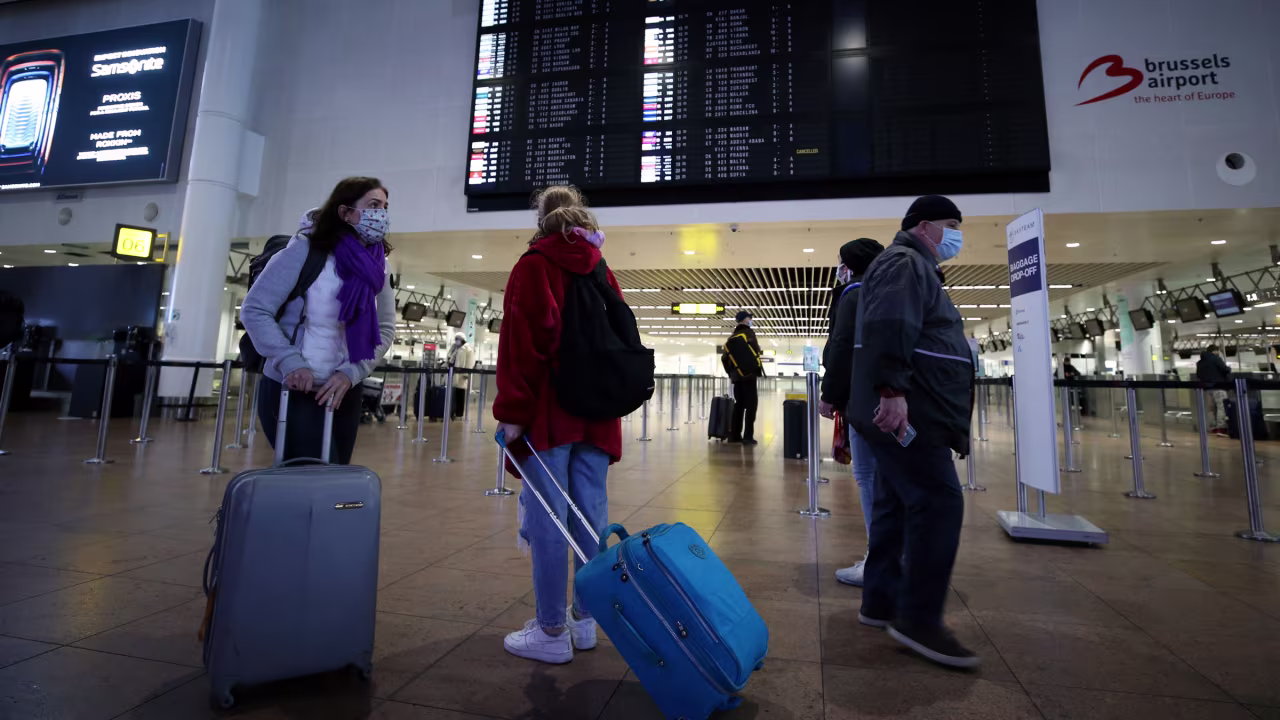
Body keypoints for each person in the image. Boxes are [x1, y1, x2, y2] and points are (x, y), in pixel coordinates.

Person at [493, 185, 622, 665]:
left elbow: (522, 342)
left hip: (551, 410)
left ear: (540, 220)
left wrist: (512, 410)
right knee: (591, 514)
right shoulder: (602, 269)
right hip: (598, 411)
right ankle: (584, 620)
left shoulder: (535, 264)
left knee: (548, 517)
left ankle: (550, 630)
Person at [850, 195, 979, 668]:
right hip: (911, 409)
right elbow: (890, 325)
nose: (957, 235)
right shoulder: (905, 261)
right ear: (925, 226)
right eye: (951, 225)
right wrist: (892, 390)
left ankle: (880, 602)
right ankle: (920, 620)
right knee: (939, 500)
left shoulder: (912, 265)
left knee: (895, 501)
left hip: (909, 406)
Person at [241, 177, 395, 464]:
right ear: (345, 212)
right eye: (373, 205)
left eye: (385, 207)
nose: (382, 215)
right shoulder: (304, 249)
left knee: (334, 477)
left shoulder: (378, 266)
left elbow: (384, 329)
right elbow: (255, 309)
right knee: (308, 477)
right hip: (295, 386)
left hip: (343, 389)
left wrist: (352, 373)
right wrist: (290, 361)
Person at [818, 238, 886, 586]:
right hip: (890, 400)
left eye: (840, 262)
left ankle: (879, 561)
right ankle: (892, 557)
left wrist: (829, 394)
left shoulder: (853, 294)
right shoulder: (887, 291)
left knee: (868, 479)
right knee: (886, 482)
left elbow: (842, 346)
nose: (838, 269)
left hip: (863, 400)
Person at [725, 311, 765, 445]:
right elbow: (756, 350)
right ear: (745, 320)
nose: (751, 320)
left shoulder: (731, 338)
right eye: (749, 318)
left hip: (737, 378)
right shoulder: (749, 334)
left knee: (739, 405)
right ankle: (748, 436)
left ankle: (735, 435)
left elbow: (724, 358)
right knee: (751, 406)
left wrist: (733, 374)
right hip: (750, 376)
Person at [1196, 344, 1232, 432]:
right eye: (1217, 351)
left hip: (1207, 388)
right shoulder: (1216, 359)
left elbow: (1198, 375)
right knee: (1221, 406)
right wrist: (1229, 368)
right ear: (1214, 351)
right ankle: (1221, 427)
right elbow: (1225, 369)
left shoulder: (1200, 362)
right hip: (1219, 386)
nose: (1218, 353)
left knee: (1211, 408)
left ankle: (1213, 427)